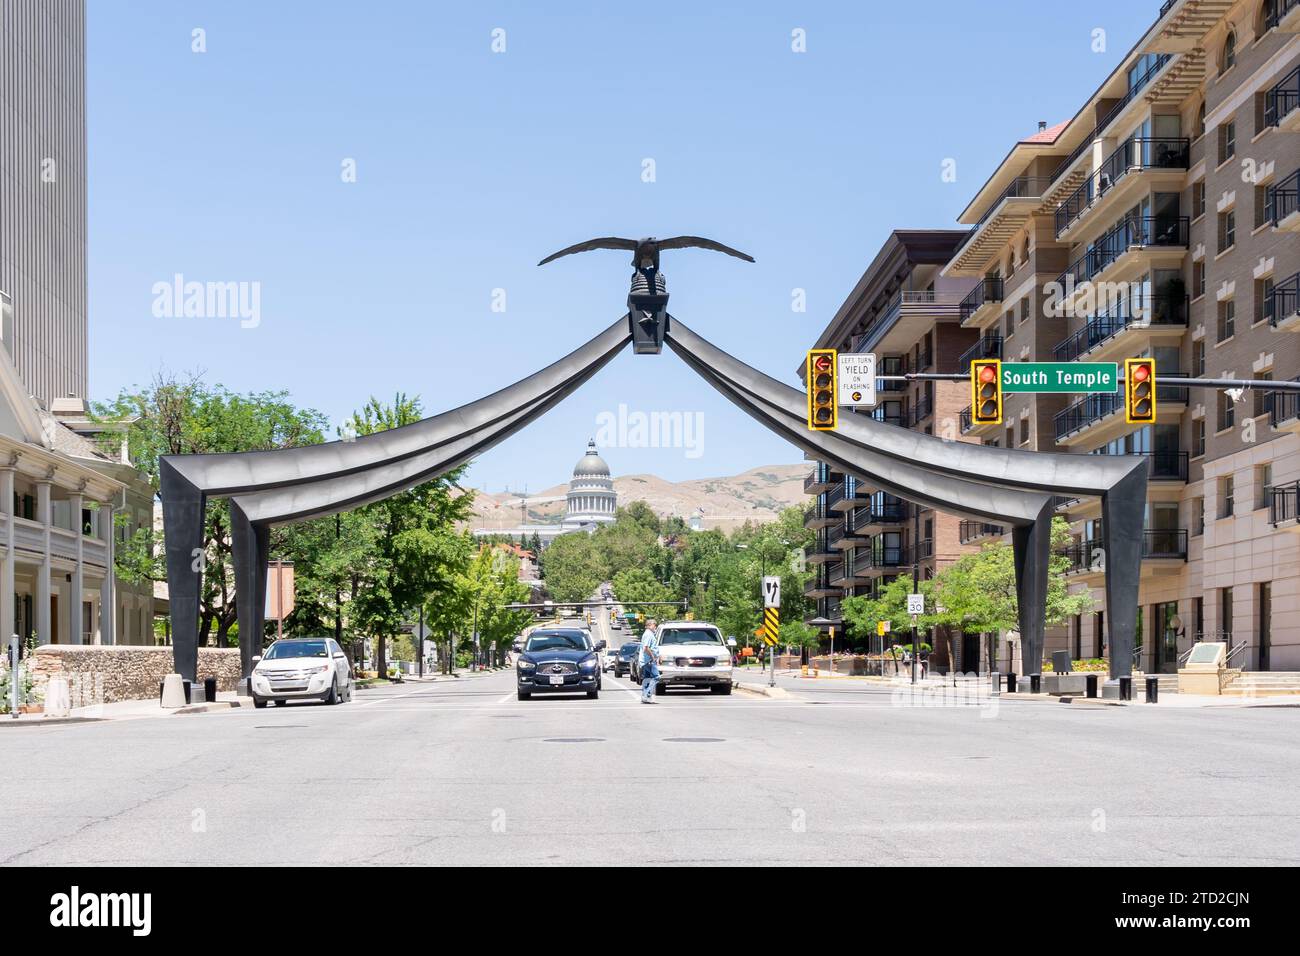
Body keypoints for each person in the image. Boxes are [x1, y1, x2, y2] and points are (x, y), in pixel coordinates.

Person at [639, 619, 661, 704]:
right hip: (649, 660)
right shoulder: (648, 634)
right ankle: (646, 694)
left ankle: (644, 697)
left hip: (645, 660)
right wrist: (653, 657)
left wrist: (658, 655)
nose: (655, 627)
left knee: (647, 679)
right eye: (654, 625)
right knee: (656, 677)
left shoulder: (647, 634)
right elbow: (646, 648)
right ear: (650, 625)